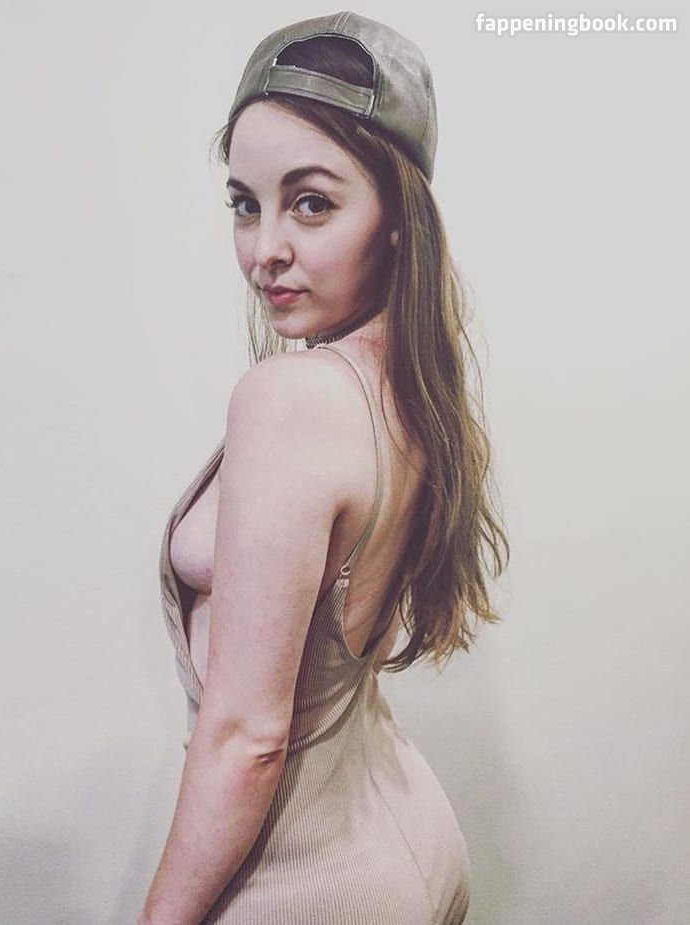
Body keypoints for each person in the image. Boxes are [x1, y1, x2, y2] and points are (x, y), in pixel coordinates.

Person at [139, 11, 510, 925]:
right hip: (407, 833)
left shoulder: (293, 399)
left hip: (311, 884)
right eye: (245, 203)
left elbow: (248, 739)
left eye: (310, 203)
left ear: (396, 219)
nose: (264, 248)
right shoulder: (412, 392)